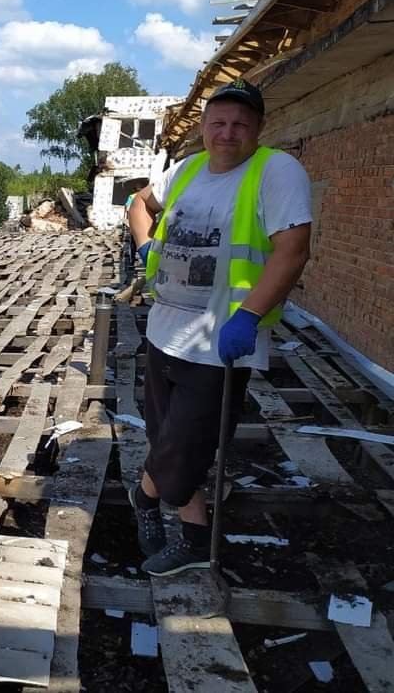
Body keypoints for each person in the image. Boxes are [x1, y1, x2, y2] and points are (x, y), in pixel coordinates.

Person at [126, 79, 311, 576]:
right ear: (204, 128)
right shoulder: (186, 169)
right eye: (219, 123)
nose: (228, 133)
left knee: (188, 445)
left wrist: (249, 314)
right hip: (164, 330)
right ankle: (184, 527)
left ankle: (151, 501)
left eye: (240, 124)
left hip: (218, 341)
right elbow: (138, 205)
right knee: (165, 436)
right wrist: (146, 246)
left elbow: (294, 249)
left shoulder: (275, 171)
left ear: (259, 128)